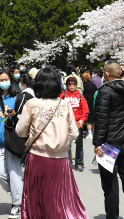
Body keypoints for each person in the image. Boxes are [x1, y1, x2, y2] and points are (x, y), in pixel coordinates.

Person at [16, 67, 87, 219]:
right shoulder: (65, 104)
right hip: (61, 159)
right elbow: (74, 133)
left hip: (38, 157)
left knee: (37, 200)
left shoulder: (32, 104)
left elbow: (20, 131)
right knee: (59, 201)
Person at [93, 60, 124, 219]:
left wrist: (97, 143)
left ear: (106, 73)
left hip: (108, 144)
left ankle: (112, 216)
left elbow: (102, 120)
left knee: (110, 187)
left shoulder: (104, 91)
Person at [0, 71, 25, 218]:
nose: (4, 81)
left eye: (6, 79)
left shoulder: (18, 97)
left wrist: (15, 115)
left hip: (14, 141)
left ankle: (17, 205)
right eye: (1, 79)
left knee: (14, 173)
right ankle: (20, 193)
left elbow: (25, 119)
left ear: (11, 80)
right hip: (0, 142)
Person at [62, 74, 90, 171]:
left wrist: (82, 120)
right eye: (69, 84)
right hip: (66, 123)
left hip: (78, 123)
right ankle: (68, 162)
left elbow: (85, 110)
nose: (71, 85)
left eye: (73, 83)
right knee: (67, 145)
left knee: (79, 144)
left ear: (76, 85)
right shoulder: (63, 96)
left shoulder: (80, 96)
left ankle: (79, 162)